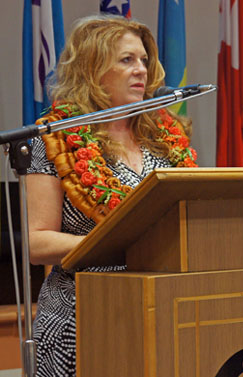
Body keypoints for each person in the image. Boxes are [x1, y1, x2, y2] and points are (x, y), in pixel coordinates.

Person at [27, 15, 197, 376]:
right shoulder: (54, 141)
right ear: (92, 68)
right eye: (126, 60)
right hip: (82, 315)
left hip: (163, 308)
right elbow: (37, 242)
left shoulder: (165, 141)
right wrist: (118, 240)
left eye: (144, 61)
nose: (141, 70)